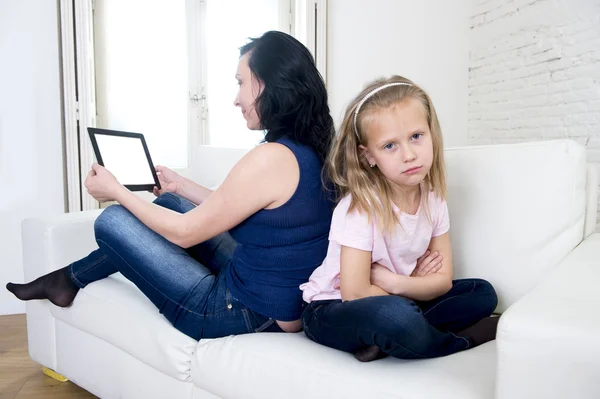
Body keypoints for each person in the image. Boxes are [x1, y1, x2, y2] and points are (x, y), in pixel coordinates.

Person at [7, 31, 335, 340]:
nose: (236, 99)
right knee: (170, 205)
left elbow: (185, 233)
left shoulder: (270, 157)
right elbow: (243, 205)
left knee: (113, 221)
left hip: (244, 309)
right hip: (278, 297)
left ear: (270, 84)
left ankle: (66, 280)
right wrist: (180, 186)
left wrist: (116, 191)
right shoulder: (309, 148)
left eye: (240, 83)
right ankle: (68, 280)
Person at [299, 75, 499, 362]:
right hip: (332, 308)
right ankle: (460, 340)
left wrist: (397, 283)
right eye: (390, 146)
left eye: (416, 137)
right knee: (397, 319)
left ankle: (386, 340)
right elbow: (355, 293)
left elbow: (442, 281)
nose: (409, 155)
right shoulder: (361, 207)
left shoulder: (433, 199)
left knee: (482, 293)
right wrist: (413, 290)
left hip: (393, 294)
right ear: (368, 156)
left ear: (432, 135)